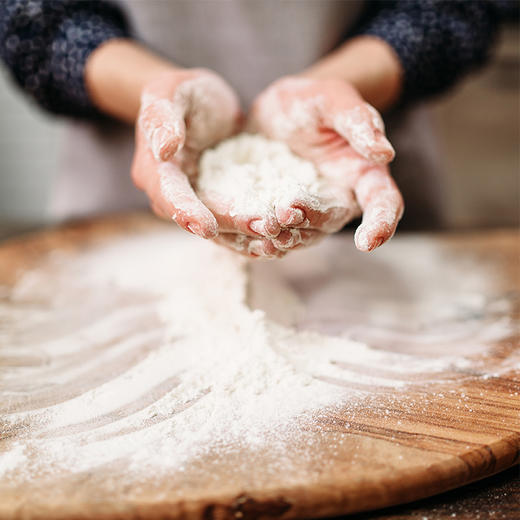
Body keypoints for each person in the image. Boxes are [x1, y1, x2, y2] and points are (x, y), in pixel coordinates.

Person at [0, 0, 504, 257]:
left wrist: (339, 82)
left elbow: (457, 8)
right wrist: (153, 93)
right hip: (120, 213)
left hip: (351, 167)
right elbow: (33, 21)